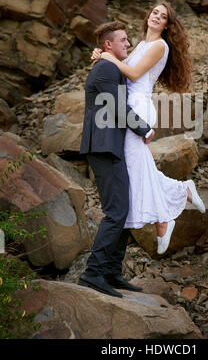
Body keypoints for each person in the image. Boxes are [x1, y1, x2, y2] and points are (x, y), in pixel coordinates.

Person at [91, 2, 206, 256]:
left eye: (163, 16)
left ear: (167, 25)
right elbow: (120, 69)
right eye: (155, 12)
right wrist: (101, 56)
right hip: (129, 106)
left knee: (135, 167)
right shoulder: (142, 44)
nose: (157, 17)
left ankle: (164, 218)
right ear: (148, 16)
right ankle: (178, 196)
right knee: (137, 166)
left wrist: (107, 56)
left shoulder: (159, 46)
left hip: (138, 107)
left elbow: (132, 74)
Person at [78, 21, 156, 298]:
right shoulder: (105, 68)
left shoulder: (109, 66)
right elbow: (117, 106)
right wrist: (144, 127)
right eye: (123, 40)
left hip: (112, 148)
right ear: (108, 44)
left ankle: (111, 271)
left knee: (125, 209)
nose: (128, 44)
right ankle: (92, 273)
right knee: (116, 211)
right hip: (103, 148)